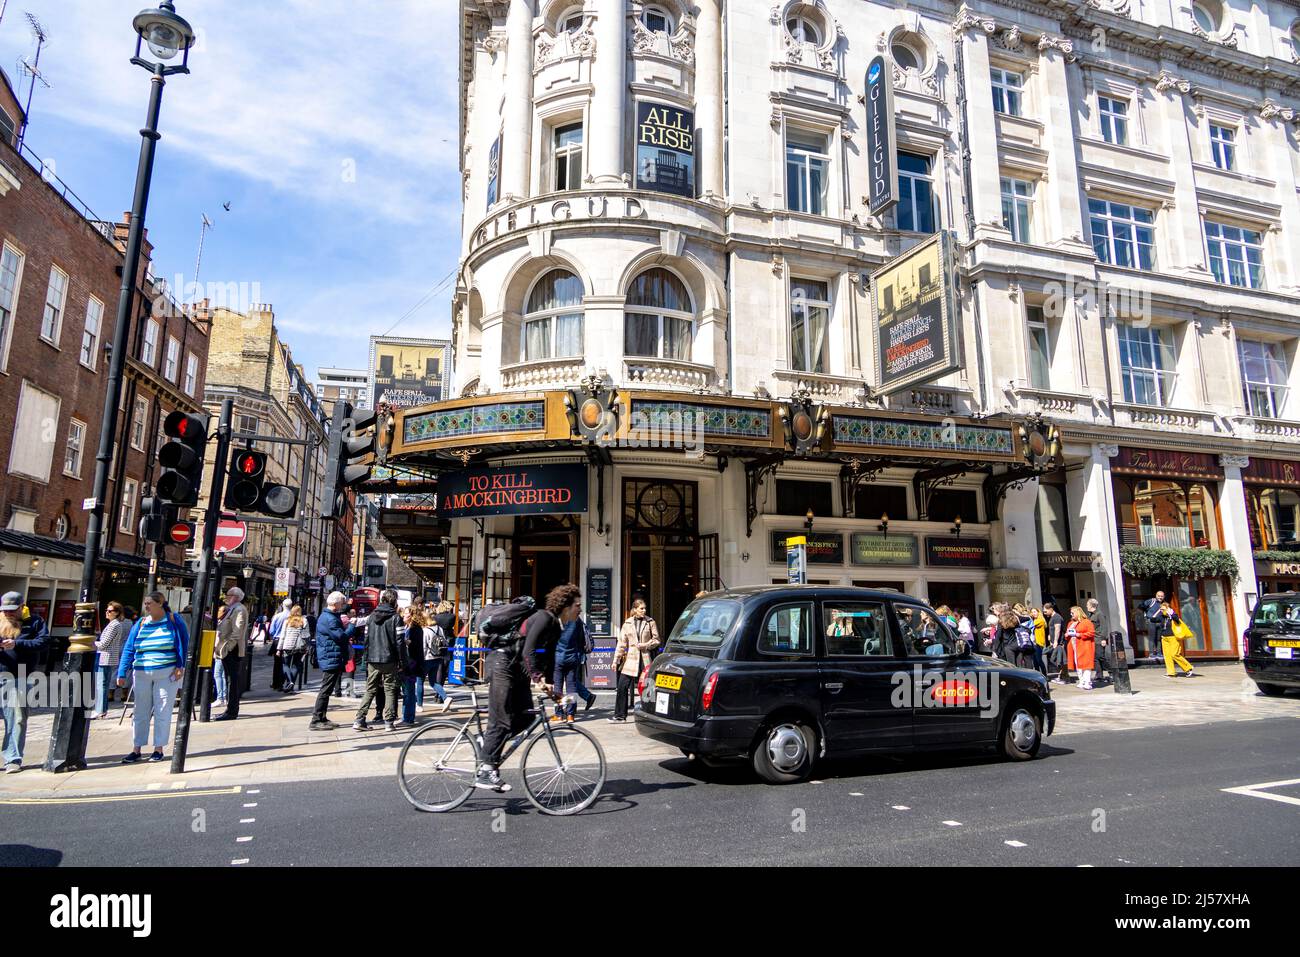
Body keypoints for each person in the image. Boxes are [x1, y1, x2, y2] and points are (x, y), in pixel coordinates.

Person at [477, 586, 580, 792]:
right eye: (577, 605)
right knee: (502, 720)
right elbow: (528, 649)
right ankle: (487, 770)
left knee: (526, 717)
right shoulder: (544, 617)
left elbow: (546, 660)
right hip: (501, 662)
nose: (580, 610)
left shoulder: (557, 627)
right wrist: (537, 678)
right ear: (565, 606)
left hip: (516, 668)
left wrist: (551, 687)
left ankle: (487, 744)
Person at [116, 592, 189, 762]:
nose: (146, 606)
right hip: (141, 672)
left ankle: (158, 749)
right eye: (145, 603)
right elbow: (129, 648)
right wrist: (122, 672)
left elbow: (185, 643)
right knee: (140, 711)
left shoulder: (173, 620)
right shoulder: (141, 623)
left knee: (162, 710)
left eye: (150, 603)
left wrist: (180, 666)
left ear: (160, 604)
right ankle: (136, 748)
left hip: (166, 672)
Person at [0, 592, 48, 773]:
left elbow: (43, 642)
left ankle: (13, 758)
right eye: (4, 610)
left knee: (17, 718)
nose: (7, 613)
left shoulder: (35, 622)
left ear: (22, 607)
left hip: (21, 674)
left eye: (12, 610)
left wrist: (17, 644)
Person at [354, 589, 402, 732]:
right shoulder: (396, 618)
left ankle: (359, 719)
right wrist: (402, 661)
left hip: (373, 658)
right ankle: (389, 722)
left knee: (370, 689)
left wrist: (366, 657)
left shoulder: (371, 617)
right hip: (390, 659)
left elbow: (367, 640)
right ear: (394, 600)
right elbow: (399, 642)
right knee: (390, 689)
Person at [310, 593, 355, 730]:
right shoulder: (330, 619)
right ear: (335, 604)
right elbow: (341, 637)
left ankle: (322, 717)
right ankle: (316, 720)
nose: (343, 605)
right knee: (325, 689)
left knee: (327, 689)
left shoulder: (330, 617)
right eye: (342, 603)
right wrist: (352, 627)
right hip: (331, 657)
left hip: (332, 655)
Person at [612, 597, 660, 722]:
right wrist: (615, 660)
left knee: (648, 687)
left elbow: (657, 640)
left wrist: (645, 645)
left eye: (644, 608)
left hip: (645, 659)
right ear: (635, 609)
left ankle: (649, 715)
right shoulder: (627, 623)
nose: (644, 611)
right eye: (641, 608)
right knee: (622, 686)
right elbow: (621, 644)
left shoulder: (650, 622)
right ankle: (620, 716)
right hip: (631, 660)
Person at [213, 587, 249, 721]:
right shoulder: (233, 609)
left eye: (228, 595)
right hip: (228, 649)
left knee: (232, 681)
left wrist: (228, 647)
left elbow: (237, 631)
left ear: (235, 597)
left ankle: (232, 711)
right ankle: (229, 709)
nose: (226, 597)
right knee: (230, 680)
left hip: (232, 650)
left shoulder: (239, 609)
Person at [553, 609, 596, 721]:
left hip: (558, 657)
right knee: (571, 687)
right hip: (573, 657)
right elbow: (581, 639)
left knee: (557, 687)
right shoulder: (576, 619)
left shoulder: (555, 618)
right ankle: (570, 714)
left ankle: (558, 714)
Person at [91, 601, 129, 719]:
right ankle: (101, 709)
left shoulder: (115, 625)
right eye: (107, 610)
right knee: (102, 684)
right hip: (105, 656)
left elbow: (104, 644)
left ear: (117, 613)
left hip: (106, 657)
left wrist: (91, 642)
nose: (107, 612)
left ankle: (100, 710)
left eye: (110, 611)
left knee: (101, 684)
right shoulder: (112, 624)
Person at [397, 606, 426, 727]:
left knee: (409, 690)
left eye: (407, 614)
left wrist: (406, 642)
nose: (404, 615)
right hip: (408, 662)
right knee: (407, 690)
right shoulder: (407, 627)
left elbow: (415, 647)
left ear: (413, 615)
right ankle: (406, 716)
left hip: (412, 663)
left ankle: (408, 718)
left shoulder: (416, 629)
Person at [418, 610, 449, 708]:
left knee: (419, 682)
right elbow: (444, 641)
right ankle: (446, 698)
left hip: (426, 659)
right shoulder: (439, 628)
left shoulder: (425, 630)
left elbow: (423, 647)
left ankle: (419, 705)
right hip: (438, 658)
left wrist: (419, 660)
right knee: (433, 682)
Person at [277, 605, 310, 694]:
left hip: (287, 645)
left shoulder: (287, 621)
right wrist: (307, 647)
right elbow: (307, 635)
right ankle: (291, 685)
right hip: (299, 646)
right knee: (295, 666)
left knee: (285, 665)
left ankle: (290, 682)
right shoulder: (304, 620)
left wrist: (279, 648)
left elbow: (282, 635)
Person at [1160, 602, 1196, 678]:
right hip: (1164, 637)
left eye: (1163, 609)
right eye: (1161, 609)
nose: (1162, 610)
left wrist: (1171, 613)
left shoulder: (1173, 615)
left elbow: (1177, 620)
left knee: (1174, 654)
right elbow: (1153, 619)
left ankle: (1188, 668)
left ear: (1168, 608)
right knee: (1167, 656)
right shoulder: (1161, 617)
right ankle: (1171, 672)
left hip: (1173, 637)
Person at [1067, 606, 1097, 690]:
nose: (1071, 614)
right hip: (1074, 646)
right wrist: (1067, 634)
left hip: (1085, 646)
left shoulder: (1086, 622)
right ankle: (1082, 681)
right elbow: (1068, 633)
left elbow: (1092, 633)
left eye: (1072, 613)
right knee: (1078, 664)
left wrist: (1079, 635)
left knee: (1086, 665)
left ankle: (1087, 682)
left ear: (1077, 613)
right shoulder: (1071, 623)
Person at [1044, 600, 1068, 684]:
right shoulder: (1052, 618)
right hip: (1055, 642)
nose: (1045, 613)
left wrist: (1055, 641)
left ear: (1050, 609)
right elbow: (1053, 629)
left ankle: (1064, 678)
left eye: (1046, 611)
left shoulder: (1057, 617)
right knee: (1057, 660)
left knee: (1060, 660)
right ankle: (1061, 676)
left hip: (1059, 643)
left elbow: (1057, 629)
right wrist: (1050, 636)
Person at [1086, 598, 1109, 685]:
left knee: (1101, 657)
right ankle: (1099, 676)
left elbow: (1104, 627)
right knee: (1095, 659)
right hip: (1093, 639)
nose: (1086, 606)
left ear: (1092, 606)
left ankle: (1112, 673)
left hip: (1099, 639)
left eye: (1088, 605)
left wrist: (1104, 639)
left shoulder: (1099, 614)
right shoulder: (1090, 615)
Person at [1143, 590, 1167, 660]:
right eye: (1159, 596)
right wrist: (1146, 617)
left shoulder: (1165, 604)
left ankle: (1159, 653)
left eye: (1162, 596)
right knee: (1152, 638)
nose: (1160, 597)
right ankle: (1151, 654)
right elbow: (1142, 607)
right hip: (1151, 622)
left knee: (1159, 639)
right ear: (1156, 596)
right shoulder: (1151, 601)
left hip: (1160, 623)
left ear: (1164, 596)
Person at [1030, 606, 1048, 676]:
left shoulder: (1040, 620)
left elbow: (1031, 625)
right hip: (1034, 643)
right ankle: (1037, 675)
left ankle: (1044, 675)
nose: (1033, 613)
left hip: (1039, 643)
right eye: (1032, 612)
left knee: (1039, 660)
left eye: (1034, 612)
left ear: (1038, 612)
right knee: (1035, 661)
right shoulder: (1034, 620)